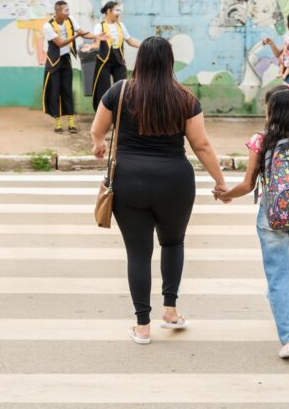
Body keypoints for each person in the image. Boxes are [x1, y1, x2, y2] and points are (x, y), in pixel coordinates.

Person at [90, 36, 228, 345]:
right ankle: (170, 310)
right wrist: (220, 182)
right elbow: (201, 145)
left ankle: (142, 326)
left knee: (138, 253)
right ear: (169, 62)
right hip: (175, 183)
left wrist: (98, 144)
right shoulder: (185, 98)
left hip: (129, 182)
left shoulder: (120, 91)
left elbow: (97, 129)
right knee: (173, 243)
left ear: (139, 61)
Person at [214, 84, 289, 359]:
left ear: (271, 110)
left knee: (278, 276)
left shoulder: (261, 140)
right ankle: (285, 315)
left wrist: (226, 196)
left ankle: (287, 338)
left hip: (272, 215)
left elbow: (248, 184)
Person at [42, 0, 102, 134]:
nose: (68, 12)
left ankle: (70, 121)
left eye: (68, 10)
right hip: (54, 62)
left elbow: (82, 32)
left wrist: (97, 36)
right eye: (65, 10)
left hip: (66, 60)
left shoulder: (70, 20)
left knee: (67, 90)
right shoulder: (48, 26)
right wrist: (76, 36)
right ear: (58, 12)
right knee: (55, 91)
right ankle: (57, 122)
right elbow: (60, 43)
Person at [81, 2, 141, 110]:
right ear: (108, 11)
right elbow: (96, 44)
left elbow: (130, 41)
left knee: (122, 88)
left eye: (119, 11)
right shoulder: (99, 26)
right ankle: (103, 114)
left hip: (118, 60)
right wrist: (90, 47)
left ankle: (121, 113)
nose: (118, 13)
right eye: (116, 10)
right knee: (103, 90)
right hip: (104, 61)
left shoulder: (120, 25)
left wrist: (144, 46)